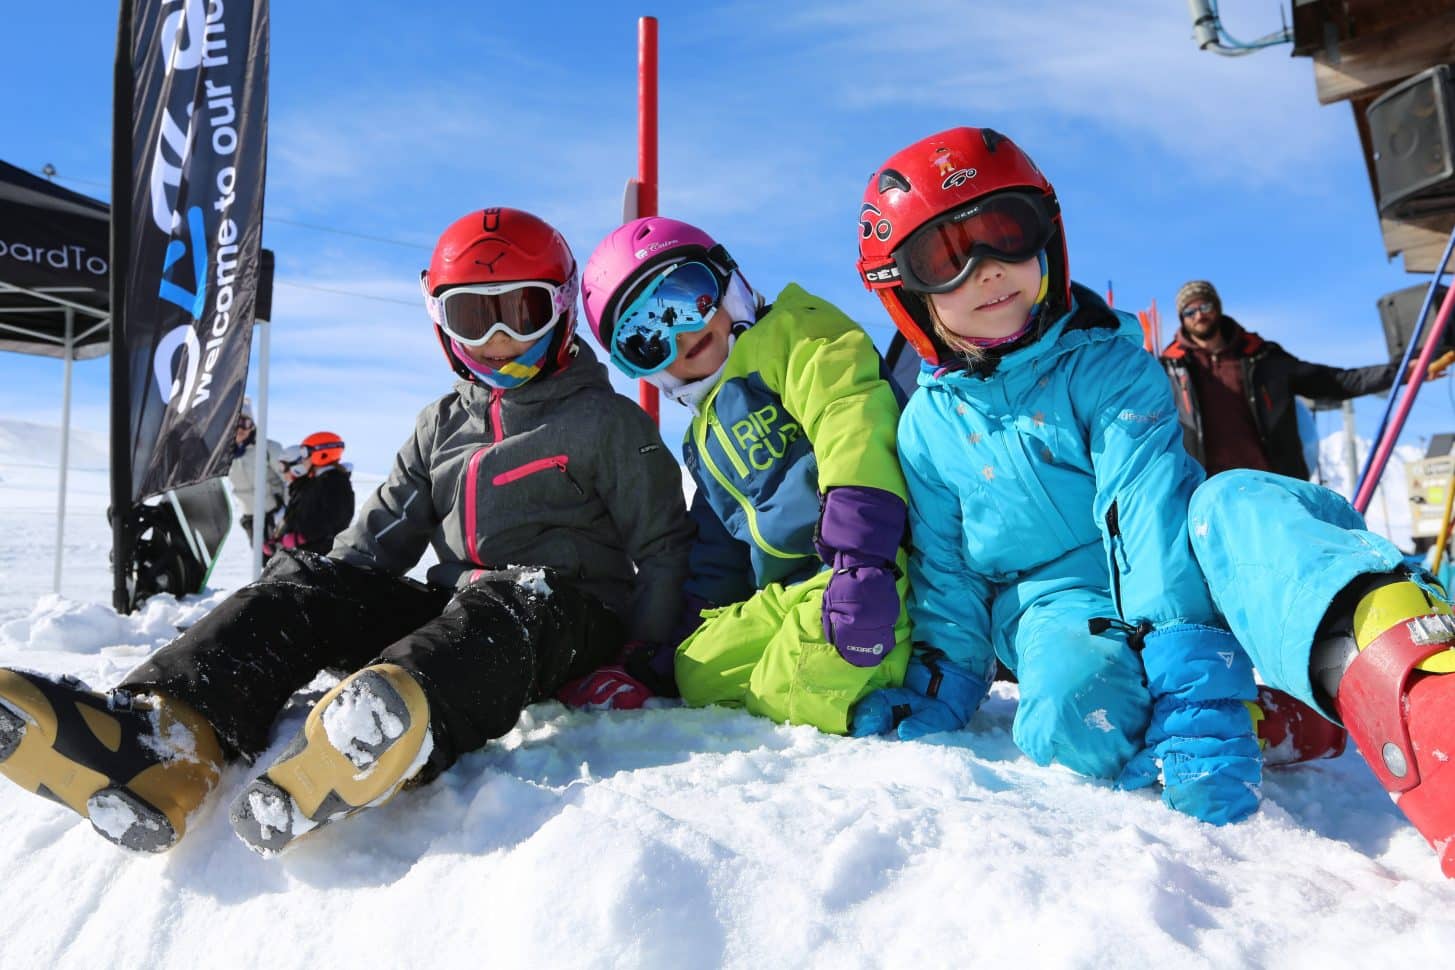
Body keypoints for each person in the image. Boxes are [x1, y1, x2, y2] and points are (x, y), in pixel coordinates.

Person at [852, 126, 1455, 876]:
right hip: (1055, 600)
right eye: (945, 258)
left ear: (1046, 236)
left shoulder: (1109, 366)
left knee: (1238, 505)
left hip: (1179, 555)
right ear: (905, 295)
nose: (986, 270)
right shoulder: (927, 430)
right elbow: (946, 570)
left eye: (1005, 233)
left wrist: (1189, 675)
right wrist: (941, 688)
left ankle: (1420, 693)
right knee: (1069, 713)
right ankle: (1257, 719)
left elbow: (1144, 509)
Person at [0, 207, 692, 856]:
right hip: (463, 623)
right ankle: (164, 742)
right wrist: (315, 603)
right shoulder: (441, 424)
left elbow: (662, 546)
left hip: (564, 615)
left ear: (561, 306)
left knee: (512, 598)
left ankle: (388, 729)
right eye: (471, 317)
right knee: (308, 577)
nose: (498, 339)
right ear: (439, 322)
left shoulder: (608, 423)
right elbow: (372, 546)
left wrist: (637, 660)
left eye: (520, 310)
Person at [578, 216, 911, 734]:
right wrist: (667, 649)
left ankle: (857, 692)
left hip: (879, 564)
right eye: (648, 337)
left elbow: (852, 420)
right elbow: (718, 546)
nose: (682, 331)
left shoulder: (796, 334)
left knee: (801, 666)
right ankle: (836, 679)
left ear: (727, 279)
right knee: (697, 671)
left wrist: (862, 558)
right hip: (794, 591)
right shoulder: (702, 438)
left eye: (688, 297)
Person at [1161, 279, 1455, 479]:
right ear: (1181, 318)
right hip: (1206, 491)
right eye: (1190, 310)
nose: (1198, 315)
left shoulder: (1264, 358)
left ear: (1217, 307)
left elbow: (1337, 381)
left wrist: (1403, 372)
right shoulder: (1168, 370)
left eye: (1205, 306)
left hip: (1274, 484)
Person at [263, 431, 355, 557]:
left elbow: (336, 519)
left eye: (305, 453)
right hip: (306, 554)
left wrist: (302, 537)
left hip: (323, 555)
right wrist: (279, 538)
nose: (303, 459)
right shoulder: (315, 483)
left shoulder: (335, 482)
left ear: (322, 453)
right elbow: (301, 517)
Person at [227, 398, 285, 546]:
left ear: (252, 426)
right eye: (236, 423)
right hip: (250, 517)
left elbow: (289, 480)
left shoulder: (268, 448)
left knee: (283, 560)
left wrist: (288, 514)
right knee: (264, 562)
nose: (240, 428)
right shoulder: (223, 454)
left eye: (245, 423)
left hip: (275, 515)